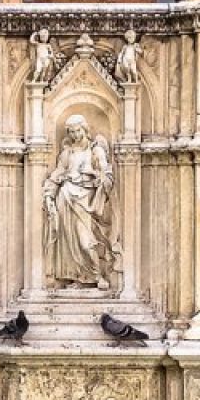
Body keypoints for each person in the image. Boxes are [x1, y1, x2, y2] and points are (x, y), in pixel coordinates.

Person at [44, 114, 116, 289]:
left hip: (85, 201)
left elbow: (107, 176)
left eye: (78, 131)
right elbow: (57, 175)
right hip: (66, 198)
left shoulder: (95, 151)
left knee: (85, 241)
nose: (75, 135)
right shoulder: (67, 153)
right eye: (71, 132)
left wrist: (94, 174)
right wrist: (49, 194)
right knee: (70, 242)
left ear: (85, 129)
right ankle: (80, 278)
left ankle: (98, 275)